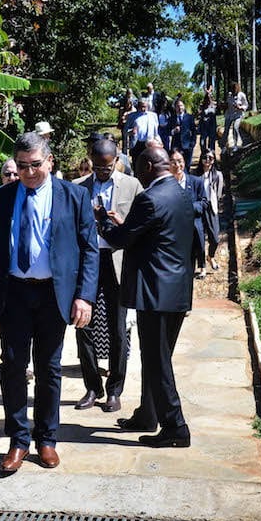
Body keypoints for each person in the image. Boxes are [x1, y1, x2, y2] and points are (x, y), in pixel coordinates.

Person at [0, 132, 98, 474]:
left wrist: (84, 296)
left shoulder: (74, 196)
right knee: (14, 368)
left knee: (49, 369)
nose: (29, 172)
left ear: (50, 161)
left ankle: (47, 439)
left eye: (35, 164)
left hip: (54, 293)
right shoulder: (1, 197)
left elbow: (89, 249)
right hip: (15, 293)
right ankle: (18, 440)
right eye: (22, 166)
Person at [98, 146, 193, 448]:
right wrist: (122, 224)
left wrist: (103, 221)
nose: (136, 174)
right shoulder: (180, 194)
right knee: (157, 358)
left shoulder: (149, 198)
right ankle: (147, 415)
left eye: (139, 168)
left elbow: (120, 240)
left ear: (150, 167)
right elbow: (153, 235)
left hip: (155, 293)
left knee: (157, 361)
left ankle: (176, 427)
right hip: (175, 290)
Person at [72, 139, 142, 413]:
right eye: (99, 167)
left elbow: (141, 225)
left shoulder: (131, 185)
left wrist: (120, 224)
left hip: (117, 262)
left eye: (108, 166)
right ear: (91, 161)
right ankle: (92, 387)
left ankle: (115, 389)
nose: (103, 171)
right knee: (83, 325)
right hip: (88, 262)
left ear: (116, 160)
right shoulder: (78, 188)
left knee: (117, 327)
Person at [170, 149, 208, 279]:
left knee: (191, 263)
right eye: (173, 162)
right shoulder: (166, 184)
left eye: (179, 161)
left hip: (193, 229)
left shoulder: (196, 182)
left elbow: (204, 203)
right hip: (173, 231)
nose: (177, 165)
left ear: (184, 162)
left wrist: (188, 208)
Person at [194, 150, 224, 271]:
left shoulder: (217, 175)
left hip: (211, 208)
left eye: (210, 158)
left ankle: (210, 256)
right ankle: (202, 267)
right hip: (198, 207)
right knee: (199, 240)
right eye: (205, 157)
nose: (207, 160)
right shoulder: (195, 175)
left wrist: (212, 203)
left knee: (215, 238)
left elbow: (219, 193)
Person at [128, 98, 159, 172]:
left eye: (145, 107)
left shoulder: (153, 116)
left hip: (149, 143)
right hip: (136, 143)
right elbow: (126, 130)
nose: (143, 108)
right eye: (141, 106)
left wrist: (157, 141)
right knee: (136, 164)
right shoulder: (132, 116)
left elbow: (156, 131)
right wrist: (131, 131)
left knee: (148, 165)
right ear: (138, 106)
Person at [221, 82, 249, 154]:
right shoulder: (229, 95)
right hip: (229, 115)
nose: (233, 91)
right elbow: (227, 104)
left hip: (238, 115)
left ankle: (236, 145)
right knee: (226, 130)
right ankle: (223, 146)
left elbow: (246, 105)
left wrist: (240, 107)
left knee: (235, 127)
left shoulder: (242, 95)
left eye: (234, 90)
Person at [170, 100, 197, 172]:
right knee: (177, 165)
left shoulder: (189, 117)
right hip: (176, 146)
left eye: (181, 105)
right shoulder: (172, 118)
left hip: (187, 145)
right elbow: (167, 131)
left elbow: (194, 131)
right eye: (178, 106)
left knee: (187, 165)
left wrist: (193, 143)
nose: (180, 108)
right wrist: (173, 131)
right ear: (175, 108)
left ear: (184, 107)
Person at [198, 87, 218, 154]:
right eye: (207, 101)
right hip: (204, 128)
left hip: (211, 127)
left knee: (211, 143)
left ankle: (211, 155)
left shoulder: (213, 106)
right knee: (202, 143)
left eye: (209, 100)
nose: (208, 102)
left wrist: (209, 92)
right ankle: (203, 154)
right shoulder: (202, 107)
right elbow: (199, 116)